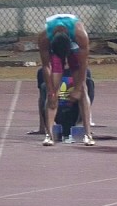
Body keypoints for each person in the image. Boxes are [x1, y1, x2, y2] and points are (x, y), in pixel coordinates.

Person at [38, 13, 94, 146]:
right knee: (52, 93)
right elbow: (46, 66)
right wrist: (51, 91)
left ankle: (88, 134)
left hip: (74, 47)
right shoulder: (44, 37)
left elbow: (83, 64)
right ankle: (49, 135)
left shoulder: (80, 35)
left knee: (83, 89)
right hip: (55, 49)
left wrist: (78, 88)